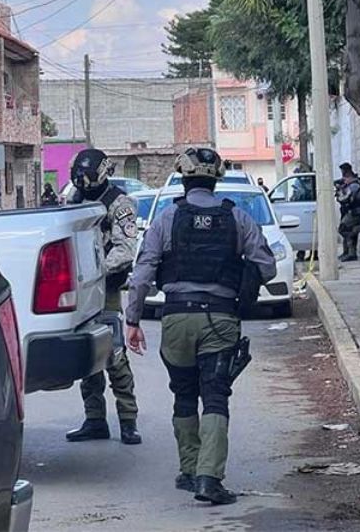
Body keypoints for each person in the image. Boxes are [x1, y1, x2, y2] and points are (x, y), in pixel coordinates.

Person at [126, 147, 277, 505]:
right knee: (215, 395)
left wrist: (132, 320)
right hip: (220, 319)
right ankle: (209, 479)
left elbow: (143, 273)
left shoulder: (166, 218)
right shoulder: (238, 217)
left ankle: (190, 470)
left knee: (183, 394)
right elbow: (268, 267)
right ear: (216, 179)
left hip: (176, 318)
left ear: (183, 178)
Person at [64, 148, 142, 446]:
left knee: (115, 354)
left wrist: (96, 270)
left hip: (105, 287)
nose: (82, 182)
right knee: (86, 354)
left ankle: (128, 420)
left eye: (86, 176)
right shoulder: (75, 199)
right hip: (80, 288)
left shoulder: (119, 204)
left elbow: (125, 249)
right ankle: (95, 418)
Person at [335, 163, 360, 261]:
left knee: (343, 229)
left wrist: (341, 191)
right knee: (347, 230)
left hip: (356, 213)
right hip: (350, 212)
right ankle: (348, 252)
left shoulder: (354, 185)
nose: (344, 179)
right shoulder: (351, 184)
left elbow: (344, 198)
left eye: (345, 176)